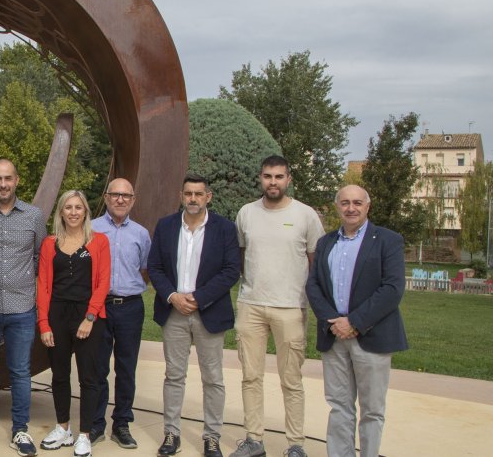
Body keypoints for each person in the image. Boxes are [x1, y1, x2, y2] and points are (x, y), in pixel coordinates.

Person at [230, 156, 325, 457]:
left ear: (289, 179)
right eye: (268, 176)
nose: (273, 182)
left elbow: (316, 263)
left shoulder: (306, 215)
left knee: (291, 380)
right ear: (260, 178)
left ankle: (296, 443)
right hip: (251, 305)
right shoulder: (246, 213)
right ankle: (254, 439)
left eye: (279, 177)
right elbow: (242, 255)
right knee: (250, 376)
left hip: (291, 307)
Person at [305, 185, 407, 457]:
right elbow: (313, 285)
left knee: (372, 410)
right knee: (339, 406)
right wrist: (333, 322)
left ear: (367, 206)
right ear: (337, 206)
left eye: (357, 203)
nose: (351, 208)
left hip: (371, 336)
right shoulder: (326, 242)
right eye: (345, 202)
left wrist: (354, 322)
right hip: (334, 336)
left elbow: (392, 289)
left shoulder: (388, 240)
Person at [147, 174, 240, 457]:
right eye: (188, 193)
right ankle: (171, 434)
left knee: (213, 378)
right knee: (174, 376)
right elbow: (155, 267)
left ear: (208, 196)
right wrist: (173, 296)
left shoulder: (224, 228)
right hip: (173, 311)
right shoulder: (166, 226)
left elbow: (230, 270)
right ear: (181, 195)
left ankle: (212, 436)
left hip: (208, 311)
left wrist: (198, 298)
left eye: (199, 194)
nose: (193, 199)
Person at [0, 159, 47, 456]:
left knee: (20, 371)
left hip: (21, 307)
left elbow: (41, 256)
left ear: (17, 180)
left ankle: (20, 430)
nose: (2, 184)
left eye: (7, 179)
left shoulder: (34, 216)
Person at [37, 191, 110, 457]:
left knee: (89, 378)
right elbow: (43, 285)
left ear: (86, 212)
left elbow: (103, 283)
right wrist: (44, 323)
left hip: (88, 317)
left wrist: (90, 317)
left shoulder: (99, 242)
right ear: (61, 212)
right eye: (68, 207)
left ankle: (85, 434)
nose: (74, 212)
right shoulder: (49, 243)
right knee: (59, 375)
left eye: (79, 207)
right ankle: (63, 427)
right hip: (57, 315)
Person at [88, 178, 151, 449]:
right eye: (115, 195)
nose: (120, 200)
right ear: (106, 197)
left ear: (133, 199)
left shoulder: (141, 233)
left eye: (126, 195)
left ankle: (122, 423)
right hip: (99, 308)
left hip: (130, 307)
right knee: (97, 367)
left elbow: (146, 270)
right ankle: (95, 423)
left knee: (126, 368)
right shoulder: (90, 229)